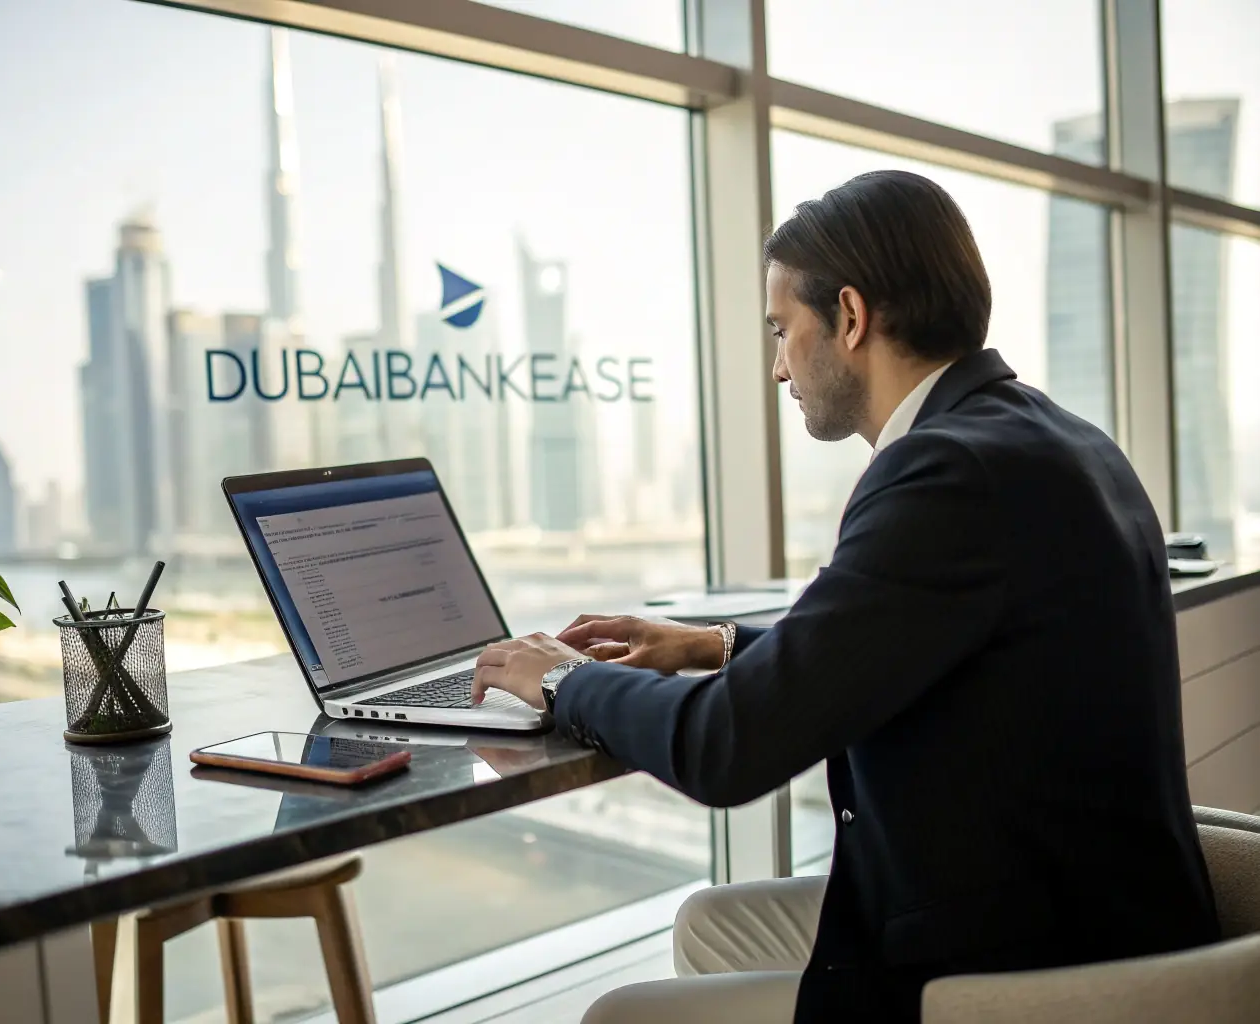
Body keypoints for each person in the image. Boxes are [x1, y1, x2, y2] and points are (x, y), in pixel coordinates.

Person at [471, 170, 1219, 1023]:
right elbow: (918, 642)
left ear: (852, 318)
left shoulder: (944, 472)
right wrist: (711, 644)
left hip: (1035, 965)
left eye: (782, 329)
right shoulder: (1049, 435)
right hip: (1094, 904)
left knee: (621, 1015)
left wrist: (562, 679)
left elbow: (727, 746)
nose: (778, 366)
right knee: (711, 925)